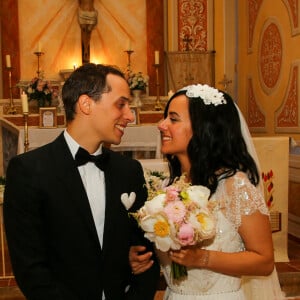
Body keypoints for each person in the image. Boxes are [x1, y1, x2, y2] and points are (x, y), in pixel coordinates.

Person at [4, 63, 160, 300]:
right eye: (121, 104)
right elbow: (31, 269)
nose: (130, 115)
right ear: (86, 104)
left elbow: (146, 254)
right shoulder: (29, 170)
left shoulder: (129, 171)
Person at [130, 84, 284, 299]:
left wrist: (202, 258)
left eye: (173, 119)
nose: (161, 125)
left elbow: (264, 261)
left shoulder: (235, 186)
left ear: (204, 128)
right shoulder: (167, 188)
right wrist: (141, 259)